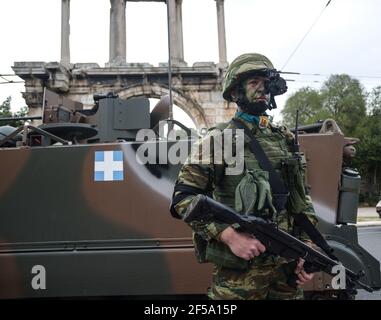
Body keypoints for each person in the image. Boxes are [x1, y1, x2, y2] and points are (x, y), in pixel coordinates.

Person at [170, 53, 317, 300]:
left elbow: (301, 201)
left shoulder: (285, 139)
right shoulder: (220, 139)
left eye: (266, 83)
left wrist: (308, 248)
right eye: (253, 83)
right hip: (240, 276)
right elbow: (183, 199)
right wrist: (229, 236)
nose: (262, 90)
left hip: (286, 273)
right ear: (236, 92)